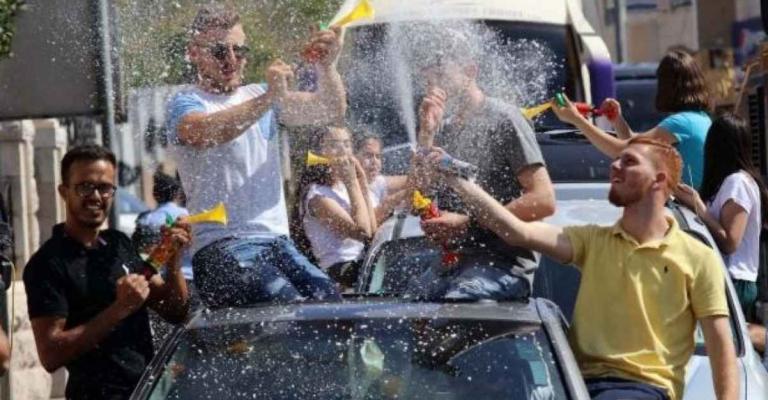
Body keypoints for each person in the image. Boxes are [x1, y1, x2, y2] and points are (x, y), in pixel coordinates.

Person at [422, 137, 738, 399]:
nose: (615, 165)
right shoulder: (593, 240)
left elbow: (721, 345)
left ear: (660, 180)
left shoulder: (698, 256)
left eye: (629, 162)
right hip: (574, 384)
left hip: (641, 389)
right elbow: (516, 232)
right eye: (617, 159)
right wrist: (455, 178)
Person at [165, 5, 345, 307]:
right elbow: (207, 132)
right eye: (220, 51)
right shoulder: (185, 102)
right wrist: (269, 97)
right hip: (221, 248)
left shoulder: (259, 96)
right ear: (194, 52)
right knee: (287, 310)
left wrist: (328, 67)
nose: (232, 59)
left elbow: (330, 108)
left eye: (240, 50)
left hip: (279, 243)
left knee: (332, 308)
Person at [23, 145, 191, 400]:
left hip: (147, 393)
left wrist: (174, 258)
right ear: (63, 192)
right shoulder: (47, 263)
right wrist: (118, 310)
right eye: (85, 187)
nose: (96, 196)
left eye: (104, 188)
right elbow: (50, 354)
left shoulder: (118, 244)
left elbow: (175, 310)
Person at [409, 34, 556, 300]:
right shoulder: (444, 128)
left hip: (502, 266)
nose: (434, 87)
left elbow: (543, 200)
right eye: (429, 80)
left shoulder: (505, 119)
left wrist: (467, 224)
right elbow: (419, 196)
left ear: (470, 71)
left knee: (457, 302)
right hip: (452, 264)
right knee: (407, 307)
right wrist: (426, 136)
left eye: (441, 75)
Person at [674, 115, 768, 364]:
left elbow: (730, 241)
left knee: (726, 341)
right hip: (727, 277)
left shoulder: (738, 183)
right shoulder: (727, 183)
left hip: (734, 278)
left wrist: (698, 206)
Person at [552, 50, 712, 189]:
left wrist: (577, 120)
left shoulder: (679, 124)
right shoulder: (700, 119)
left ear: (666, 85)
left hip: (686, 208)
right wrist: (617, 120)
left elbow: (623, 151)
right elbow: (636, 144)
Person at [297, 126, 377, 288]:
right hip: (340, 270)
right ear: (320, 152)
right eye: (334, 145)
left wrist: (362, 183)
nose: (343, 151)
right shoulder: (317, 196)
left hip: (360, 262)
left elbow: (373, 232)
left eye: (347, 144)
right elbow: (363, 233)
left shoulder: (344, 187)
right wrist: (353, 183)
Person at [133, 170, 192, 281]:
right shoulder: (187, 216)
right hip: (189, 276)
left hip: (161, 278)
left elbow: (141, 251)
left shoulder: (146, 219)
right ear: (176, 193)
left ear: (155, 194)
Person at [354, 131, 414, 223]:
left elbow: (414, 180)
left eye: (378, 156)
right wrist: (393, 200)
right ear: (354, 157)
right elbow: (366, 224)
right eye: (368, 156)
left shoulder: (376, 182)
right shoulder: (345, 190)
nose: (374, 162)